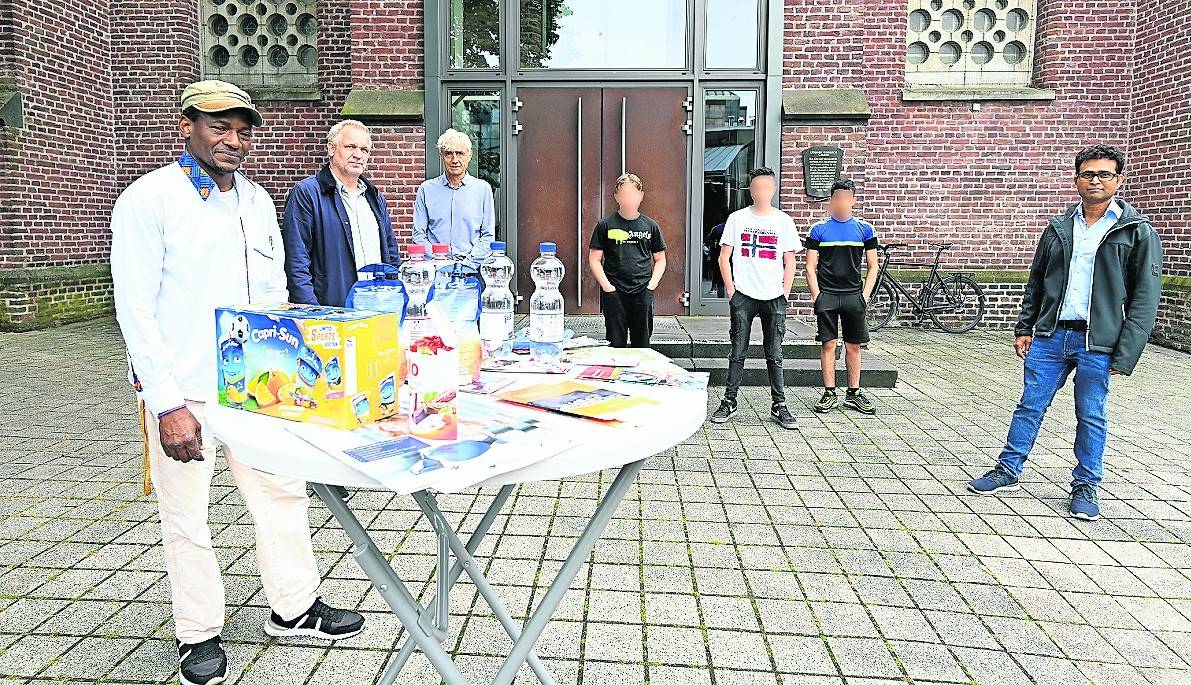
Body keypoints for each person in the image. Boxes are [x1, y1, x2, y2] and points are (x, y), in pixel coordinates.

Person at [110, 80, 364, 685]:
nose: (233, 139)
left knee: (282, 491)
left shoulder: (255, 200)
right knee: (187, 513)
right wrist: (165, 401)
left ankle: (294, 605)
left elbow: (273, 294)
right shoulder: (150, 200)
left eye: (242, 128)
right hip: (187, 389)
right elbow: (135, 310)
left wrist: (299, 367)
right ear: (186, 126)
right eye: (219, 125)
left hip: (257, 384)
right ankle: (197, 633)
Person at [968, 145, 1163, 522]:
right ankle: (1008, 469)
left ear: (1118, 180)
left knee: (1091, 414)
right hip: (1051, 335)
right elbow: (1036, 281)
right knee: (1030, 404)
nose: (1096, 180)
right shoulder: (1059, 227)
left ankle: (1086, 484)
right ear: (1076, 180)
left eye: (1105, 174)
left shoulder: (1137, 232)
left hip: (1098, 341)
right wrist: (1025, 326)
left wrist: (1126, 352)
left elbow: (1145, 297)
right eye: (1088, 174)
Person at [710, 167, 802, 431]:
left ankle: (779, 405)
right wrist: (731, 290)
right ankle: (729, 401)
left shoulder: (783, 221)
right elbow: (723, 257)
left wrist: (784, 293)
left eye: (766, 187)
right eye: (756, 188)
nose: (761, 192)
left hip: (774, 297)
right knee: (737, 352)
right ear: (751, 190)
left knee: (775, 353)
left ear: (773, 190)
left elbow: (790, 261)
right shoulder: (737, 219)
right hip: (744, 296)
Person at [281, 119, 401, 307]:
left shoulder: (374, 197)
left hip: (378, 307)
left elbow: (391, 253)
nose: (358, 155)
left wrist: (396, 297)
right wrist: (313, 313)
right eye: (350, 147)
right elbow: (296, 261)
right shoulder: (307, 193)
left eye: (364, 150)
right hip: (331, 311)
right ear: (331, 149)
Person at [805, 179, 880, 415]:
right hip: (827, 295)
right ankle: (829, 393)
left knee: (853, 346)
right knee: (828, 344)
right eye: (837, 198)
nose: (841, 202)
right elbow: (809, 267)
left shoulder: (865, 229)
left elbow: (873, 265)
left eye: (847, 198)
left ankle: (854, 393)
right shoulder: (818, 230)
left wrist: (865, 296)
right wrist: (817, 296)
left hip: (853, 296)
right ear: (831, 200)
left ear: (853, 200)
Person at [589, 173, 667, 348]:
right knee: (616, 345)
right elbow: (594, 260)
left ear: (641, 195)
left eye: (633, 194)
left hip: (642, 291)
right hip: (614, 293)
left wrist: (651, 286)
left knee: (643, 345)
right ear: (616, 197)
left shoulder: (651, 226)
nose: (629, 198)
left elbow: (660, 259)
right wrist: (608, 288)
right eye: (624, 194)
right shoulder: (605, 225)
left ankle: (642, 376)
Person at [412, 128, 497, 275]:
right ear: (441, 156)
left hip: (472, 270)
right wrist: (439, 262)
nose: (454, 160)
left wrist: (467, 264)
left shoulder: (483, 189)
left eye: (460, 153)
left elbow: (488, 235)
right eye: (448, 154)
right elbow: (418, 235)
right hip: (436, 270)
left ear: (469, 156)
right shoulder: (426, 190)